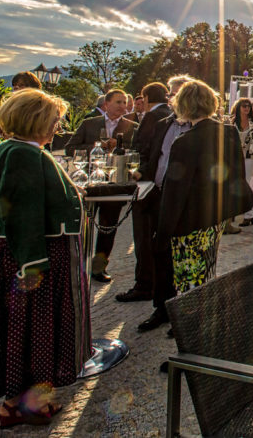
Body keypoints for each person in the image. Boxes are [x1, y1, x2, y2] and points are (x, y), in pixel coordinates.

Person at [0, 89, 85, 428]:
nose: (58, 126)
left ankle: (16, 401)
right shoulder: (25, 155)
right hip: (32, 255)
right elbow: (24, 212)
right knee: (35, 329)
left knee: (17, 330)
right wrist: (32, 264)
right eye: (55, 120)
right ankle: (28, 405)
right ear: (37, 120)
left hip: (9, 251)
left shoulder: (3, 149)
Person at [158, 80, 253, 299]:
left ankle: (190, 323)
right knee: (206, 268)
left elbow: (174, 192)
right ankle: (201, 313)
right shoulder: (229, 132)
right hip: (215, 216)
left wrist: (163, 230)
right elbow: (236, 173)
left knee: (188, 275)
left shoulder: (184, 141)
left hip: (190, 220)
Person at [131, 76, 191, 331]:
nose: (173, 99)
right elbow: (152, 155)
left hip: (185, 203)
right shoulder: (164, 123)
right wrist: (141, 172)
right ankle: (162, 308)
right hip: (157, 194)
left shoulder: (205, 128)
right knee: (160, 253)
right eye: (171, 94)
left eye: (179, 93)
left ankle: (185, 316)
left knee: (185, 259)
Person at [65, 88, 137, 282]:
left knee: (108, 226)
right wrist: (97, 147)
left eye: (125, 102)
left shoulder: (132, 126)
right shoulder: (89, 124)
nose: (123, 106)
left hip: (115, 182)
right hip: (89, 181)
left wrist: (120, 147)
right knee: (83, 223)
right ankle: (78, 265)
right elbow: (70, 148)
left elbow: (137, 152)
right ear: (107, 104)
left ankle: (98, 267)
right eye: (119, 102)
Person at [116, 82, 173, 304]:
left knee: (143, 237)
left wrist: (137, 171)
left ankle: (144, 284)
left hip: (147, 185)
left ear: (146, 97)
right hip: (162, 185)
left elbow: (146, 149)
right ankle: (154, 283)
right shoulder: (170, 114)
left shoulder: (153, 116)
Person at [229, 97, 253, 227]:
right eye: (244, 105)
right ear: (238, 107)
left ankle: (249, 214)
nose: (246, 108)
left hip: (250, 156)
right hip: (235, 157)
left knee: (245, 183)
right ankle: (238, 213)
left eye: (248, 106)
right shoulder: (232, 121)